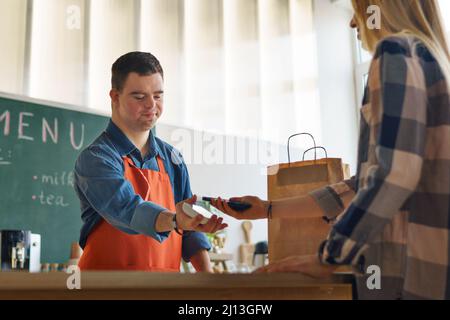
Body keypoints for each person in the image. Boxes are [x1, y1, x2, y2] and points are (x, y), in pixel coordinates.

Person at [212, 0, 450, 299]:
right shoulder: (434, 63)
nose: (354, 23)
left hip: (407, 278)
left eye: (358, 11)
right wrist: (269, 208)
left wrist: (331, 256)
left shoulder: (395, 52)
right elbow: (365, 185)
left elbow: (393, 175)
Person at [74, 52, 227, 272]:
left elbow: (189, 228)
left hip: (163, 290)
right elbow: (127, 209)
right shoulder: (96, 159)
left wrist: (209, 279)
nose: (151, 105)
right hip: (105, 289)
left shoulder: (173, 159)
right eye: (139, 96)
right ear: (115, 97)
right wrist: (176, 221)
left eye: (158, 95)